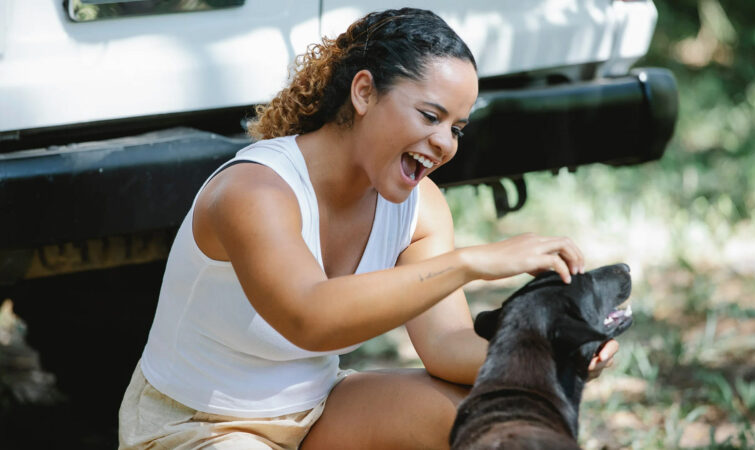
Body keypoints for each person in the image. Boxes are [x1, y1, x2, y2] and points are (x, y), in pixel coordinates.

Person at [118, 8, 618, 449]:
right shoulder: (256, 191)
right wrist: (470, 262)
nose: (444, 142)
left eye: (457, 128)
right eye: (430, 115)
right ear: (363, 92)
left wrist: (557, 354)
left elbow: (446, 348)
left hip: (318, 412)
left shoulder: (419, 207)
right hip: (199, 427)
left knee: (483, 421)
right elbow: (310, 318)